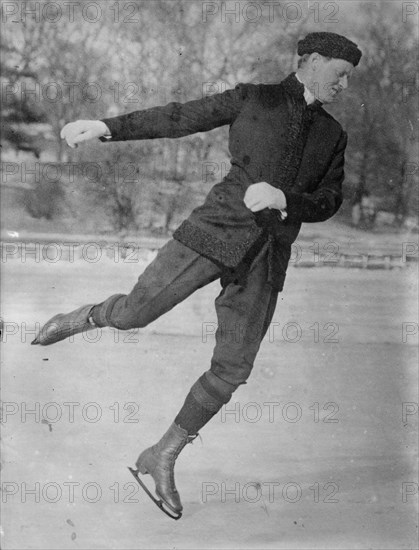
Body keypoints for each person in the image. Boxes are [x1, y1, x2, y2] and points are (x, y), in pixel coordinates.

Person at [32, 32, 362, 518]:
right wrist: (107, 126)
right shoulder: (255, 98)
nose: (345, 85)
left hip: (266, 256)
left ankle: (162, 454)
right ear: (312, 61)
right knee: (134, 315)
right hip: (213, 232)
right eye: (340, 73)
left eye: (350, 77)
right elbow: (178, 117)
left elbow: (331, 201)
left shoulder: (334, 135)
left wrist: (287, 199)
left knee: (233, 368)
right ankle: (90, 316)